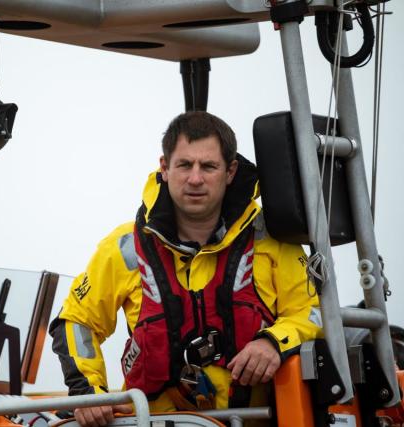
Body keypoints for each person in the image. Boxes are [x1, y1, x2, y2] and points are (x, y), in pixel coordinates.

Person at [50, 111, 322, 427]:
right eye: (184, 165)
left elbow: (315, 312)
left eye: (208, 166)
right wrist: (90, 394)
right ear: (164, 168)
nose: (195, 179)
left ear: (230, 171)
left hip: (252, 420)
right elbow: (76, 322)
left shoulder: (273, 242)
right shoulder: (125, 246)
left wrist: (273, 342)